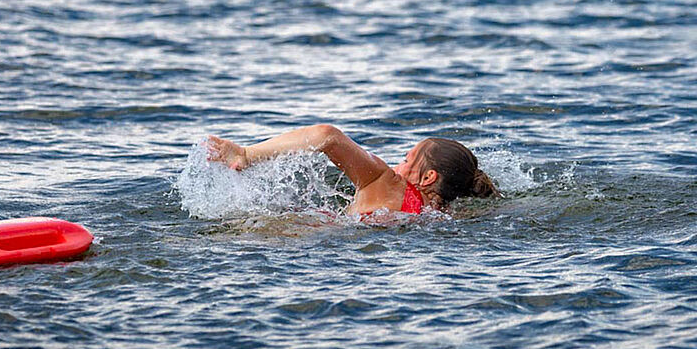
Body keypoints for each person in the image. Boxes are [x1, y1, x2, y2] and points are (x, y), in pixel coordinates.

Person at [206, 124, 499, 217]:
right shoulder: (439, 215)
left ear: (427, 177)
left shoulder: (391, 183)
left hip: (297, 238)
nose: (399, 165)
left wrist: (247, 153)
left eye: (407, 159)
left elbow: (327, 136)